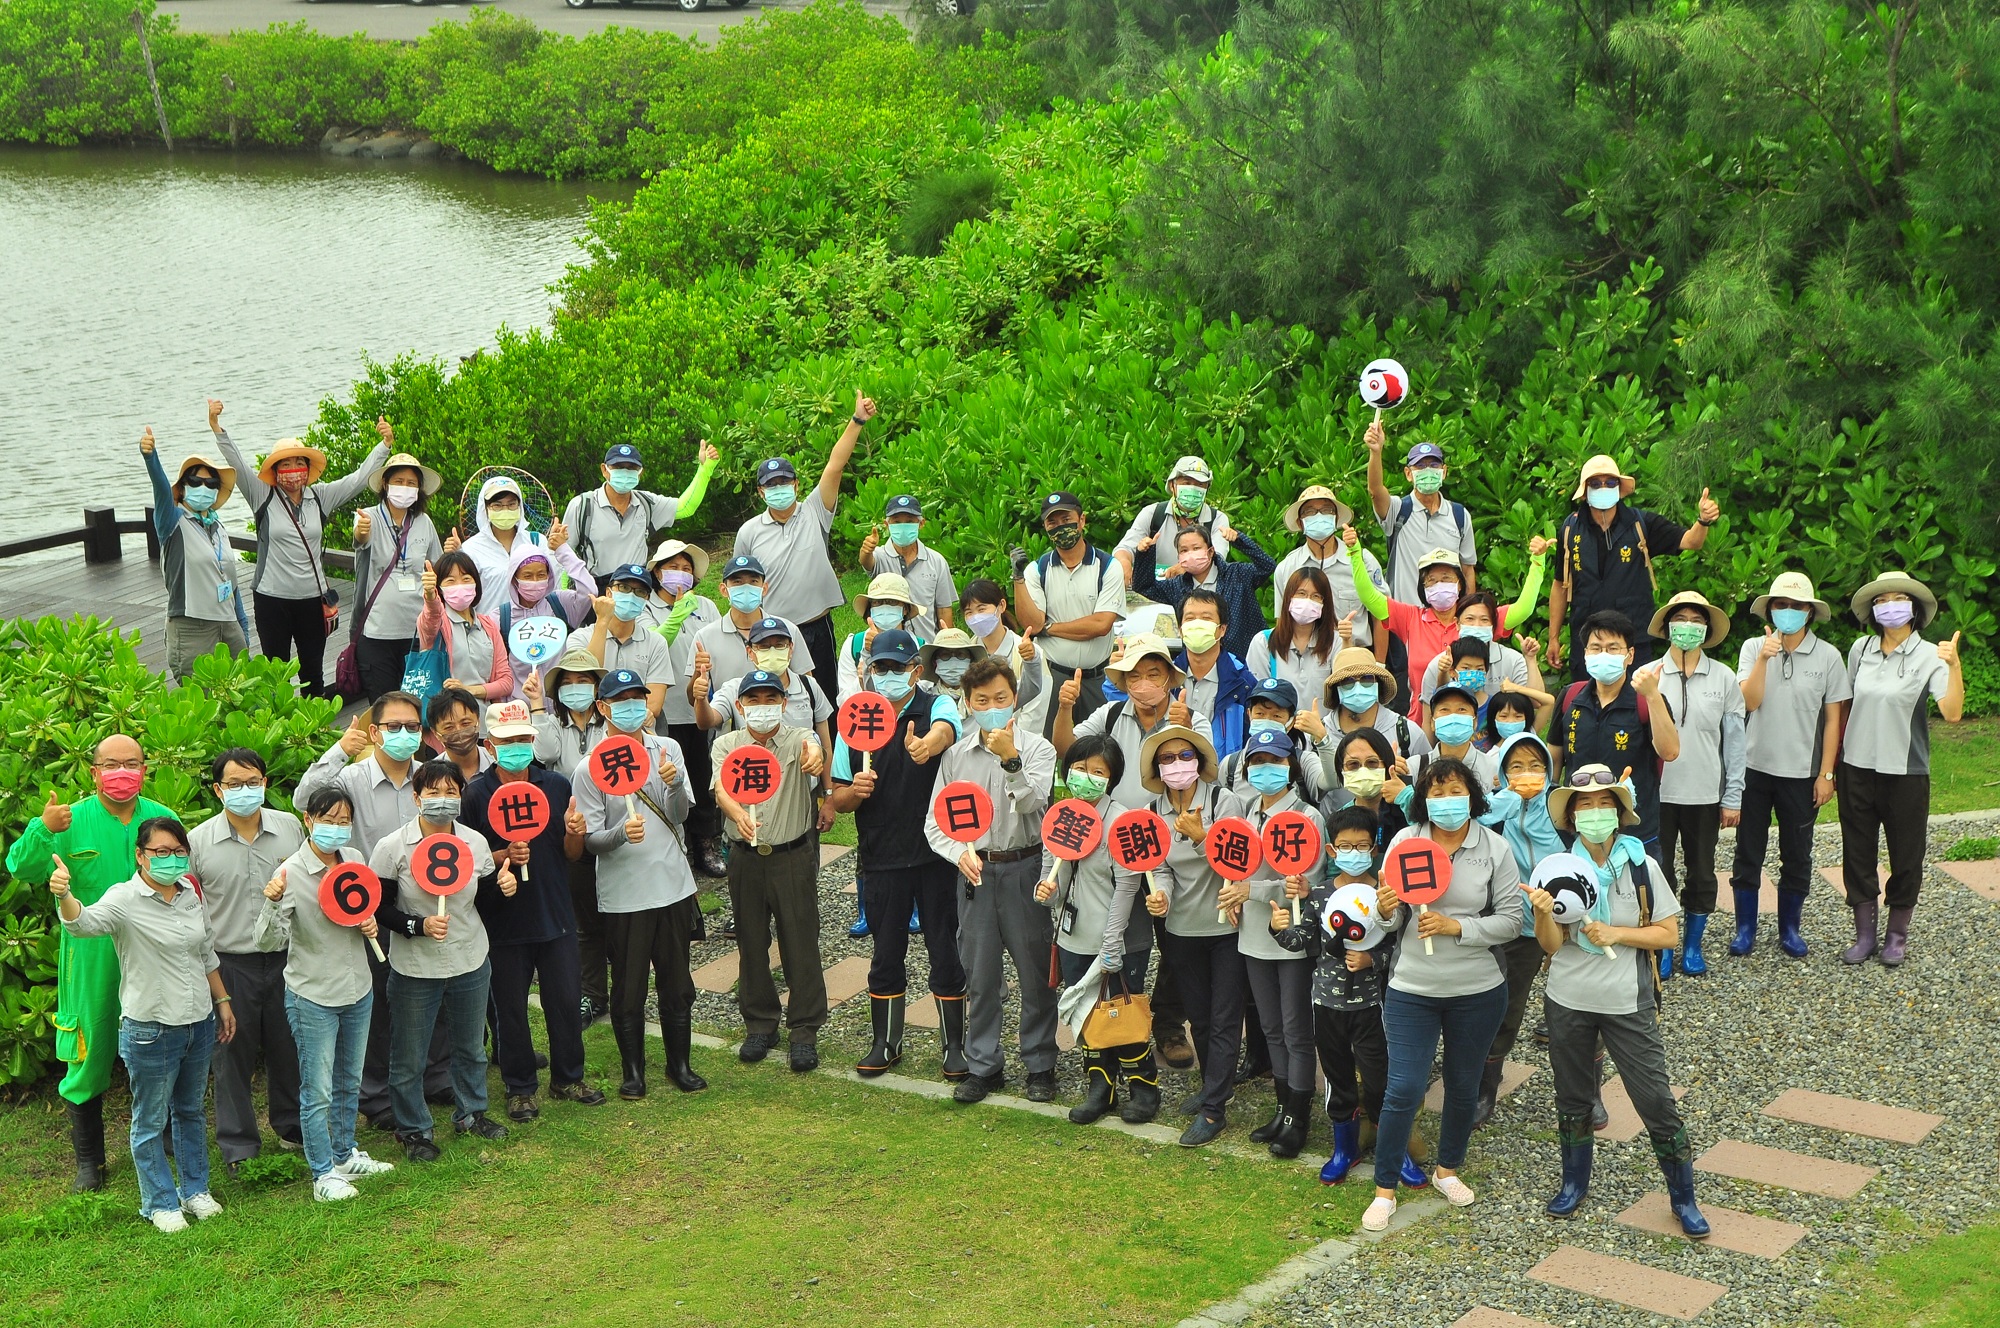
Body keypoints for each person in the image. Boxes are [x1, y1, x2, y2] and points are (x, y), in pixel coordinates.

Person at [1537, 767, 1710, 1236]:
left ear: (1619, 811)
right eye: (1584, 805)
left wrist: (1618, 933)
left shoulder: (1642, 865)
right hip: (1568, 998)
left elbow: (1668, 934)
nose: (1595, 813)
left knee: (1654, 1097)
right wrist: (1542, 913)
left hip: (1627, 1001)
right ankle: (1574, 1182)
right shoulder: (1555, 869)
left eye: (1603, 803)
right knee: (1573, 1097)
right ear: (1571, 817)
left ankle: (1683, 1196)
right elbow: (1551, 946)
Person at [7, 736, 175, 1193]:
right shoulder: (69, 819)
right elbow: (20, 867)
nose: (123, 773)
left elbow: (184, 875)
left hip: (153, 949)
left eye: (132, 764)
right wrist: (43, 827)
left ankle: (164, 1140)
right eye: (112, 764)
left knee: (163, 1040)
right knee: (90, 1047)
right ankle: (90, 1162)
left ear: (146, 767)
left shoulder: (162, 818)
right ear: (94, 770)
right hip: (90, 953)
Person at [51, 817, 235, 1232]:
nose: (171, 860)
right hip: (151, 1029)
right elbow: (82, 924)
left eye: (178, 852)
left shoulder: (190, 892)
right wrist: (65, 895)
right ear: (140, 855)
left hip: (197, 1022)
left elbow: (205, 952)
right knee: (150, 1120)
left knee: (190, 1111)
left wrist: (221, 1001)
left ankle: (195, 1191)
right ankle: (158, 1202)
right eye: (160, 852)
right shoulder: (124, 898)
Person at [1364, 758, 1525, 1232]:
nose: (1445, 801)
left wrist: (1459, 927)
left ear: (1472, 795)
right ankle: (1384, 1189)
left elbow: (1513, 921)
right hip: (1412, 988)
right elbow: (1387, 924)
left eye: (1454, 790)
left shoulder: (1494, 847)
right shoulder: (1405, 841)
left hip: (1478, 990)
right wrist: (1386, 909)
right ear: (1422, 799)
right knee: (1405, 1087)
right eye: (1435, 792)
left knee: (1462, 1085)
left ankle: (1447, 1170)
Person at [296, 692, 448, 1127]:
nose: (404, 735)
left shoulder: (429, 776)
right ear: (375, 732)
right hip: (371, 908)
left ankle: (436, 1077)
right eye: (393, 727)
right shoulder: (352, 779)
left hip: (424, 901)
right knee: (380, 1002)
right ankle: (377, 1095)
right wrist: (338, 751)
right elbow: (306, 800)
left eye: (412, 727)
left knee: (430, 992)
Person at [829, 631, 967, 1078]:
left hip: (935, 856)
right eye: (880, 668)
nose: (888, 676)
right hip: (881, 855)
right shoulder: (853, 722)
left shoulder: (934, 706)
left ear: (916, 671)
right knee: (886, 952)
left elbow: (950, 727)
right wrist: (854, 792)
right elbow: (836, 796)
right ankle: (886, 1042)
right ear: (869, 672)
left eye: (897, 668)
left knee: (944, 949)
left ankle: (954, 1047)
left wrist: (929, 744)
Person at [463, 701, 607, 1120]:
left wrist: (577, 834)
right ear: (491, 744)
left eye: (523, 739)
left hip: (556, 913)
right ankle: (520, 1086)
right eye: (507, 741)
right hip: (503, 921)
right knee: (510, 1008)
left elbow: (571, 853)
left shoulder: (556, 785)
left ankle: (568, 1077)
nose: (517, 747)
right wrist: (503, 852)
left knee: (564, 1000)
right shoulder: (475, 794)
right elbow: (470, 859)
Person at [926, 662, 1062, 1107]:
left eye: (1000, 699)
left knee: (1036, 973)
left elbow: (1032, 803)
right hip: (976, 873)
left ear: (1015, 700)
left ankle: (1040, 1062)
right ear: (968, 704)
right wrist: (958, 854)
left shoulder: (1039, 749)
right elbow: (936, 824)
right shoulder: (956, 756)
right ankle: (984, 1064)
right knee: (981, 975)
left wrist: (1010, 760)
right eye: (981, 701)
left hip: (1026, 868)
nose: (991, 708)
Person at [369, 759, 516, 1161]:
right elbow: (380, 908)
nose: (442, 800)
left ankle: (472, 1113)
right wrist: (417, 925)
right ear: (416, 798)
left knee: (471, 1047)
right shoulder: (391, 847)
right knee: (410, 1055)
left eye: (451, 791)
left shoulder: (474, 842)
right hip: (416, 967)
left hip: (469, 958)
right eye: (433, 792)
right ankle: (414, 1129)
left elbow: (484, 901)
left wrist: (503, 886)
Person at [1274, 806, 1427, 1189]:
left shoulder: (1385, 895)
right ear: (1330, 849)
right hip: (1326, 1006)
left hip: (1371, 1006)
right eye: (1345, 845)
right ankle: (1344, 1150)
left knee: (1380, 1079)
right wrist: (1277, 927)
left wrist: (1372, 959)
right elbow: (1300, 940)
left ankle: (1395, 1150)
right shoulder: (1321, 893)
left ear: (1374, 849)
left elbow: (1398, 945)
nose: (1353, 852)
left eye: (1361, 845)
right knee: (1338, 1078)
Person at [256, 787, 397, 1202]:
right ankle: (322, 1173)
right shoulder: (290, 873)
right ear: (308, 821)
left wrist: (369, 922)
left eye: (343, 821)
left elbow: (361, 907)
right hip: (313, 994)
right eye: (328, 820)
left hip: (358, 989)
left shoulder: (354, 861)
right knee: (317, 1088)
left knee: (349, 1080)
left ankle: (344, 1153)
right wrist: (270, 904)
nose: (336, 829)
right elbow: (265, 942)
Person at [572, 674, 705, 1098]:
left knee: (676, 980)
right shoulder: (589, 766)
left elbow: (682, 816)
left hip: (672, 885)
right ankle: (633, 1071)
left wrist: (676, 784)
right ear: (603, 708)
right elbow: (591, 839)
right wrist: (619, 835)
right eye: (621, 700)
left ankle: (679, 1065)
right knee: (628, 986)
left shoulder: (668, 750)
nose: (631, 707)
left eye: (638, 699)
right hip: (624, 893)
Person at [210, 399, 390, 696]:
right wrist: (217, 427)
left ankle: (313, 731)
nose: (293, 469)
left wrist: (384, 445)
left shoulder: (320, 497)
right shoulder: (262, 496)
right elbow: (238, 465)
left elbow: (357, 480)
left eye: (299, 463)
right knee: (274, 674)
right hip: (271, 600)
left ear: (307, 468)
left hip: (312, 601)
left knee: (312, 673)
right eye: (286, 463)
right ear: (275, 469)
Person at [1837, 572, 1965, 966]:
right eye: (1881, 600)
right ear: (1872, 610)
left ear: (1913, 608)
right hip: (1856, 767)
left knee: (1906, 856)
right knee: (1857, 853)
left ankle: (1896, 936)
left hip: (1905, 771)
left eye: (1898, 598)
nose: (1889, 605)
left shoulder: (1931, 655)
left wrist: (1955, 666)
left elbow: (1953, 712)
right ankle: (1864, 935)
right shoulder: (1860, 649)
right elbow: (1846, 706)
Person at [188, 749, 305, 1171]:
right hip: (229, 964)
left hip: (288, 958)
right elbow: (189, 908)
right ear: (218, 790)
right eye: (234, 784)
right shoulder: (198, 842)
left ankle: (293, 1129)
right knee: (230, 1055)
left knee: (289, 1046)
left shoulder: (290, 828)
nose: (244, 790)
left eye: (252, 781)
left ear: (266, 783)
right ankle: (239, 1147)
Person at [1035, 727, 1153, 1126]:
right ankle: (1100, 1088)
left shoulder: (1124, 822)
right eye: (1080, 768)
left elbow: (1127, 887)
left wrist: (1111, 943)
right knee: (1085, 1014)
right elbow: (1054, 877)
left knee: (1123, 1010)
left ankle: (1143, 1087)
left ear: (1112, 778)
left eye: (1098, 771)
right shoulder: (1063, 818)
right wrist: (1045, 890)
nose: (1087, 776)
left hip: (1119, 939)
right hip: (1073, 935)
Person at [1135, 730, 1248, 1146]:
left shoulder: (1223, 801)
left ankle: (1214, 1110)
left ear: (1199, 760)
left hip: (1226, 928)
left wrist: (1202, 838)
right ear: (1156, 769)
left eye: (1185, 754)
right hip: (1181, 929)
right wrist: (1159, 892)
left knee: (1224, 1017)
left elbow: (1239, 859)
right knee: (1199, 1015)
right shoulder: (1151, 812)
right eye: (1167, 758)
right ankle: (1213, 1085)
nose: (1177, 763)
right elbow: (1158, 864)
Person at [1729, 573, 1850, 959]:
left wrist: (1827, 773)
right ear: (1769, 610)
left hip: (1801, 772)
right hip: (1754, 768)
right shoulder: (1752, 648)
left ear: (1810, 613)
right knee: (1748, 850)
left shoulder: (1828, 656)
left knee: (1797, 854)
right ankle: (1745, 928)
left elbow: (1833, 719)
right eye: (1780, 605)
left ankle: (1790, 928)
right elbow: (1748, 702)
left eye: (1797, 606)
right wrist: (1766, 657)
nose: (1788, 612)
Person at [714, 671, 830, 1071]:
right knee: (750, 941)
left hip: (792, 856)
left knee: (800, 941)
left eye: (770, 698)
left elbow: (814, 749)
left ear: (782, 703)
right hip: (745, 857)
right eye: (753, 699)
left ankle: (804, 1030)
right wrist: (734, 814)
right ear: (741, 704)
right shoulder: (726, 744)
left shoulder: (799, 738)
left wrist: (815, 757)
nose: (762, 706)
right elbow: (722, 789)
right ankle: (760, 1024)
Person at [1216, 728, 1323, 1159]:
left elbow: (1306, 883)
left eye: (1275, 761)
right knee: (1271, 1027)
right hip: (1253, 937)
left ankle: (1300, 1115)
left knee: (1297, 1029)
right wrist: (1234, 894)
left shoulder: (1308, 818)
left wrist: (1251, 891)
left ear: (1292, 766)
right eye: (1257, 762)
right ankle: (1283, 1107)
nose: (1266, 769)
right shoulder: (1244, 816)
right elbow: (1232, 869)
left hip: (1292, 938)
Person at [732, 396, 874, 687]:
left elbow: (835, 465)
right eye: (771, 485)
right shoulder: (749, 531)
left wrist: (857, 420)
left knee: (823, 695)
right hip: (772, 632)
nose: (778, 489)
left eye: (784, 482)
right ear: (760, 492)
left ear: (796, 484)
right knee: (774, 694)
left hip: (815, 628)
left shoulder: (815, 511)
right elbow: (741, 581)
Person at [1547, 454, 1721, 681]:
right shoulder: (1570, 529)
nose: (1603, 487)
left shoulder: (1641, 523)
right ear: (1585, 490)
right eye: (1595, 483)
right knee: (1586, 706)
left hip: (1634, 642)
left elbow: (1690, 541)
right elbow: (1560, 584)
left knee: (1637, 707)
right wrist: (1553, 637)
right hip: (1587, 643)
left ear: (1619, 488)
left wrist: (1703, 520)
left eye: (1610, 482)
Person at [1647, 592, 1745, 977]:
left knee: (1702, 871)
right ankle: (1665, 943)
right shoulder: (1649, 674)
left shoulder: (1723, 676)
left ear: (1706, 628)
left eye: (1696, 619)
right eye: (1680, 618)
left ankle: (1692, 945)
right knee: (1660, 870)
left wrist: (1733, 794)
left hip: (1705, 793)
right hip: (1658, 795)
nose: (1687, 625)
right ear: (1668, 625)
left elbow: (1735, 743)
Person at [1346, 533, 1549, 717]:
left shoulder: (1475, 616)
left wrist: (1538, 561)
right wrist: (1355, 553)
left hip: (1477, 722)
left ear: (1459, 584)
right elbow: (1370, 597)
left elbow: (1524, 608)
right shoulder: (1410, 618)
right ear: (1422, 588)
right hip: (1423, 719)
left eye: (1446, 578)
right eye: (1431, 581)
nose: (1439, 585)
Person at [1471, 731, 1564, 1127]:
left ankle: (1588, 1092)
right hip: (1520, 924)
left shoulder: (1563, 805)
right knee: (1506, 1004)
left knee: (1579, 1004)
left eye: (1536, 765)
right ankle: (1486, 1087)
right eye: (1517, 767)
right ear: (1502, 774)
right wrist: (1499, 806)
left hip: (1569, 917)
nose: (1528, 774)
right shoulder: (1497, 808)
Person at [526, 647, 611, 1021]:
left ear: (597, 687)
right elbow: (543, 754)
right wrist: (537, 708)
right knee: (584, 921)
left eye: (584, 681)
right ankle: (592, 993)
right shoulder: (554, 725)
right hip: (573, 836)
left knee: (619, 917)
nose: (576, 689)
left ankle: (625, 987)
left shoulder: (613, 721)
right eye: (568, 683)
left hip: (613, 831)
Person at [1555, 611, 1681, 855]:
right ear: (1585, 653)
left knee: (1640, 892)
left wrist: (1653, 696)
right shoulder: (1570, 698)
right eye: (1596, 648)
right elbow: (1555, 763)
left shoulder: (1646, 701)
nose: (1604, 655)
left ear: (1630, 655)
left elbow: (1670, 751)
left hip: (1636, 834)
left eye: (1613, 648)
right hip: (1580, 832)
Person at [641, 538, 725, 878]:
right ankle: (679, 843)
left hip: (700, 708)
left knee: (703, 776)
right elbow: (653, 645)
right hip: (664, 710)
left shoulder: (705, 605)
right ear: (658, 572)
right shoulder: (645, 608)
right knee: (672, 778)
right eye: (672, 567)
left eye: (686, 569)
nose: (679, 574)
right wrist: (677, 614)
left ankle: (707, 843)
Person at [139, 427, 251, 679]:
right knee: (200, 700)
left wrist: (242, 628)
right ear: (182, 487)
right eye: (195, 481)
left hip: (228, 624)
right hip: (191, 626)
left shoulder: (217, 526)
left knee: (243, 698)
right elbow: (160, 489)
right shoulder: (173, 522)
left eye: (211, 483)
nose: (204, 487)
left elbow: (229, 582)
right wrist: (150, 457)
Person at [1015, 490, 1126, 735]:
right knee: (1047, 749)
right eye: (1052, 522)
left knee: (1100, 748)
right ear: (1045, 527)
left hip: (1097, 679)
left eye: (1066, 520)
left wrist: (1050, 628)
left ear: (1082, 520)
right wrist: (1018, 578)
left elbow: (1100, 625)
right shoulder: (1038, 569)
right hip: (1052, 676)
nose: (1060, 527)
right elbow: (1032, 623)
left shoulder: (1108, 567)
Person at [348, 450, 446, 701]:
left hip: (417, 632)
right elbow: (360, 539)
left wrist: (453, 553)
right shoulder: (368, 516)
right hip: (378, 633)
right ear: (385, 483)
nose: (405, 488)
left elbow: (436, 567)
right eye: (399, 482)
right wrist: (361, 531)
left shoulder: (424, 522)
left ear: (419, 489)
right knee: (384, 705)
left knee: (419, 704)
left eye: (411, 483)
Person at [561, 440, 720, 582]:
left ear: (640, 472)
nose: (625, 472)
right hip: (596, 592)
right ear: (604, 470)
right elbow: (563, 553)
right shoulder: (582, 505)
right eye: (618, 467)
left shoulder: (647, 503)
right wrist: (563, 600)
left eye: (632, 468)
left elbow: (686, 508)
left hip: (637, 588)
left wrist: (705, 469)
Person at [1272, 485, 1390, 659]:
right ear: (1299, 522)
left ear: (1336, 519)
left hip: (1356, 657)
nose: (1319, 516)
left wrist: (1380, 665)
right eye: (1310, 512)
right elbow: (1282, 623)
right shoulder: (1287, 568)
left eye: (1326, 510)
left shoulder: (1362, 560)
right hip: (1306, 659)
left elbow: (1381, 615)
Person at [1131, 521, 1276, 661]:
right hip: (1199, 662)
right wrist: (1145, 553)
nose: (1190, 554)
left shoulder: (1238, 574)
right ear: (1178, 557)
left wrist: (1239, 540)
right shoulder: (1177, 586)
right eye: (1184, 550)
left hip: (1245, 659)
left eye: (1196, 548)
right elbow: (1144, 587)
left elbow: (1267, 566)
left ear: (1211, 551)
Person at [1366, 424, 1477, 603]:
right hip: (1405, 621)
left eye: (1434, 465)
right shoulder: (1398, 510)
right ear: (1408, 474)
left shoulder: (1460, 515)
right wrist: (1376, 452)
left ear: (1444, 472)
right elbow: (1375, 490)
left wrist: (1468, 612)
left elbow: (1468, 570)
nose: (1428, 470)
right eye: (1420, 466)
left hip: (1446, 623)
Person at [698, 617, 835, 748]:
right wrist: (701, 698)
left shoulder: (809, 686)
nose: (772, 652)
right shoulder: (734, 688)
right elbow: (707, 721)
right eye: (764, 647)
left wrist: (826, 772)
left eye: (780, 645)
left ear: (790, 648)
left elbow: (825, 744)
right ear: (750, 652)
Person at [459, 474, 594, 604]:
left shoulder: (537, 541)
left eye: (511, 504)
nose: (505, 510)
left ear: (520, 506)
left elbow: (555, 584)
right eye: (497, 505)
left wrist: (557, 548)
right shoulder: (470, 549)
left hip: (533, 624)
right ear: (486, 508)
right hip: (489, 625)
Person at [690, 554, 815, 692]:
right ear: (724, 590)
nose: (746, 588)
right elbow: (693, 698)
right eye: (737, 582)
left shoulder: (789, 630)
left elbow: (808, 686)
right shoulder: (705, 637)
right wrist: (698, 671)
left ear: (764, 588)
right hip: (728, 713)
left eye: (753, 581)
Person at [572, 564, 676, 724]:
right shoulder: (580, 638)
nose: (631, 595)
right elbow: (586, 680)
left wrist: (626, 720)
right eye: (624, 587)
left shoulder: (656, 642)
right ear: (609, 592)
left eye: (640, 592)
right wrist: (601, 622)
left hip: (640, 726)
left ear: (646, 599)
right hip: (592, 726)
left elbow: (654, 703)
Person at [1116, 454, 1238, 580]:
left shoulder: (1217, 519)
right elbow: (1124, 548)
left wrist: (1185, 567)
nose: (1193, 488)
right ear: (1172, 485)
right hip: (1155, 593)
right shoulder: (1152, 513)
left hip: (1199, 595)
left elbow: (1218, 559)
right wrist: (1124, 564)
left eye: (1200, 484)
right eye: (1187, 482)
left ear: (1207, 488)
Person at [417, 554, 515, 706]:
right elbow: (430, 619)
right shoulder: (438, 623)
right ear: (440, 589)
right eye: (450, 580)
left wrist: (468, 690)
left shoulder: (488, 625)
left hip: (486, 718)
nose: (459, 585)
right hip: (447, 717)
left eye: (466, 578)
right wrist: (430, 596)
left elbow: (506, 682)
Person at [856, 493, 958, 636]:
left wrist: (947, 644)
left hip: (926, 645)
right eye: (897, 522)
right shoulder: (880, 556)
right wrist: (866, 551)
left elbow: (944, 609)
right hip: (888, 646)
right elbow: (867, 562)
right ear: (887, 525)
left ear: (921, 524)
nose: (903, 526)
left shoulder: (936, 561)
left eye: (909, 521)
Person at [1174, 588, 1258, 758]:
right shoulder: (1166, 676)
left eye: (1206, 618)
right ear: (1181, 630)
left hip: (1225, 778)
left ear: (1222, 629)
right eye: (1190, 618)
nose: (1197, 624)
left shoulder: (1244, 683)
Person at [1325, 648, 1431, 775]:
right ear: (1337, 688)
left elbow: (1431, 783)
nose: (1358, 686)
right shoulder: (1319, 735)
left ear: (1378, 683)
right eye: (1348, 681)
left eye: (1367, 679)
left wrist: (1407, 772)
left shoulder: (1408, 732)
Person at [1246, 566, 1343, 704]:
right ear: (1288, 597)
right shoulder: (1263, 642)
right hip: (1278, 725)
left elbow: (1345, 688)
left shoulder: (1336, 641)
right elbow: (1257, 697)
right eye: (1301, 593)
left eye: (1316, 596)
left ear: (1324, 603)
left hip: (1322, 725)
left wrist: (1347, 642)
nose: (1307, 601)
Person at [961, 577, 1043, 733]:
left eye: (981, 609)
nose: (975, 617)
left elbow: (1035, 707)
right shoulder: (965, 653)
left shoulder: (1030, 652)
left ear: (1002, 605)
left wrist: (1016, 744)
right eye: (969, 612)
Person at [839, 573, 925, 702]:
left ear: (905, 609)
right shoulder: (854, 645)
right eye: (877, 602)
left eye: (892, 602)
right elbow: (843, 701)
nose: (884, 606)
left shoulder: (921, 647)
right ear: (870, 609)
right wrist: (863, 678)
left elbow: (926, 691)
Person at [425, 687, 493, 785]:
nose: (459, 731)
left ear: (478, 721)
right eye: (449, 727)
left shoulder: (499, 765)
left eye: (465, 723)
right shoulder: (429, 776)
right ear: (435, 733)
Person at [919, 628, 988, 717]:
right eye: (945, 655)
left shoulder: (984, 699)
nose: (954, 661)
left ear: (971, 661)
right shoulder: (925, 701)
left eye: (961, 655)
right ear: (934, 662)